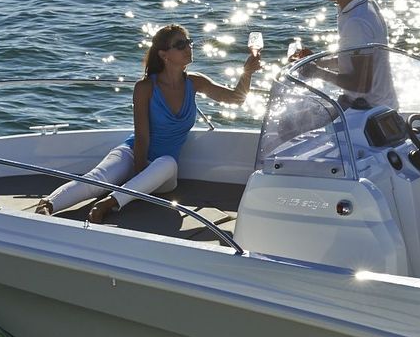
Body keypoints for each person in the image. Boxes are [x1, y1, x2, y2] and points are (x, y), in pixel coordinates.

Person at [34, 24, 261, 222]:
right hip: (134, 154)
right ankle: (48, 205)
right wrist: (138, 173)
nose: (188, 47)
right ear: (164, 54)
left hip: (163, 172)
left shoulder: (195, 82)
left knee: (167, 162)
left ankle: (108, 203)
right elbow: (142, 136)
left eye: (188, 42)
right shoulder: (145, 88)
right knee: (99, 177)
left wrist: (248, 72)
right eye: (180, 45)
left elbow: (236, 99)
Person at [288, 0, 397, 109]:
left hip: (366, 112)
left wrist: (316, 72)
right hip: (378, 105)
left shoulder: (356, 22)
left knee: (292, 121)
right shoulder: (366, 4)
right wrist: (317, 62)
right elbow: (352, 61)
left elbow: (361, 85)